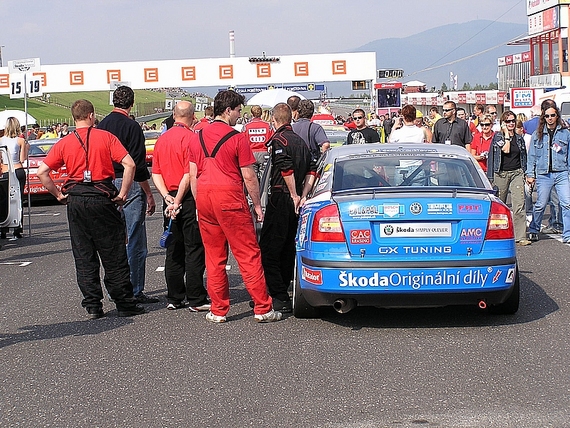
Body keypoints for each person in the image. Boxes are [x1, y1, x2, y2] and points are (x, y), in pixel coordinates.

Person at [170, 90, 282, 323]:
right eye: (238, 110)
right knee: (248, 254)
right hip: (230, 197)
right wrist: (258, 205)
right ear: (228, 110)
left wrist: (200, 206)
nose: (239, 115)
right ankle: (262, 307)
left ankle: (219, 309)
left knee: (214, 257)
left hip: (205, 197)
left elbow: (193, 174)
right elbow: (249, 176)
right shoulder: (237, 138)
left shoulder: (196, 136)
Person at [36, 99, 145, 319]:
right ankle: (123, 302)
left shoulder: (65, 142)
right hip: (102, 196)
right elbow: (130, 164)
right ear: (92, 116)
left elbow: (42, 172)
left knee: (84, 254)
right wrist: (123, 193)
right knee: (113, 253)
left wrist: (59, 195)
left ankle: (93, 304)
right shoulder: (105, 137)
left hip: (76, 199)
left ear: (73, 118)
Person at [97, 86, 158, 304]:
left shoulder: (101, 126)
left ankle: (116, 286)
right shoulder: (132, 127)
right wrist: (149, 193)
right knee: (135, 239)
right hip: (128, 181)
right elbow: (138, 165)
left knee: (112, 240)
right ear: (131, 103)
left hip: (105, 182)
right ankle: (134, 289)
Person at [259, 103, 316, 313]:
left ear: (274, 120)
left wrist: (293, 194)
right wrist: (304, 194)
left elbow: (285, 168)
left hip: (282, 198)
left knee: (269, 248)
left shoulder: (279, 140)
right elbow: (312, 170)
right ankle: (281, 291)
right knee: (287, 247)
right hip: (297, 199)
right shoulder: (301, 141)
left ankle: (277, 295)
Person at [151, 101, 208, 311]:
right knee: (194, 248)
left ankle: (174, 297)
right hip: (187, 197)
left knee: (173, 249)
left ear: (174, 115)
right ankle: (196, 298)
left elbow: (155, 172)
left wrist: (167, 196)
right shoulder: (192, 138)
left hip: (168, 196)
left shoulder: (161, 140)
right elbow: (189, 173)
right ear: (193, 117)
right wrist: (178, 200)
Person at [526, 101, 570, 243]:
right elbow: (531, 155)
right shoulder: (537, 134)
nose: (550, 118)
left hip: (561, 172)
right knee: (540, 204)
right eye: (547, 116)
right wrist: (530, 174)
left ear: (557, 116)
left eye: (553, 115)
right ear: (543, 117)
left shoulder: (565, 133)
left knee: (566, 203)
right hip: (544, 174)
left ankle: (567, 234)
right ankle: (534, 229)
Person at [487, 110, 530, 246]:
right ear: (503, 123)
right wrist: (506, 134)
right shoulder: (498, 136)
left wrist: (526, 173)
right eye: (508, 121)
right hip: (501, 173)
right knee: (500, 206)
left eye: (513, 120)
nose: (511, 123)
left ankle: (521, 236)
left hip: (516, 172)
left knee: (519, 204)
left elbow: (523, 156)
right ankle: (498, 235)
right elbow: (505, 150)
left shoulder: (519, 138)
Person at [0, 117, 29, 240]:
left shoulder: (1, 140)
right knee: (18, 199)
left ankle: (3, 229)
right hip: (17, 169)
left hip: (6, 170)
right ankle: (17, 228)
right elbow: (22, 159)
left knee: (4, 200)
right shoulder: (20, 140)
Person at [242, 105, 273, 178]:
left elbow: (242, 141)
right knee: (265, 178)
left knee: (253, 177)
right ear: (261, 113)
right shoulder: (268, 125)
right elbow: (272, 138)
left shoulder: (246, 126)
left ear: (251, 114)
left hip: (251, 153)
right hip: (264, 152)